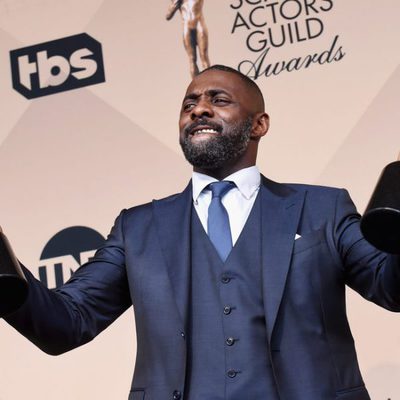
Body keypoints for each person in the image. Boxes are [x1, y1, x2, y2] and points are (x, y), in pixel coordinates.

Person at [3, 65, 400, 400]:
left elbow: (390, 285)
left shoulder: (322, 209)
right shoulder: (138, 228)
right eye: (189, 104)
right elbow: (66, 323)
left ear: (259, 124)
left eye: (219, 100)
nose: (199, 110)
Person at [166, 0, 211, 77]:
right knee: (192, 60)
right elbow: (168, 16)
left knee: (204, 57)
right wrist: (175, 4)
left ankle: (209, 84)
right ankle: (195, 85)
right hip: (187, 27)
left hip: (199, 25)